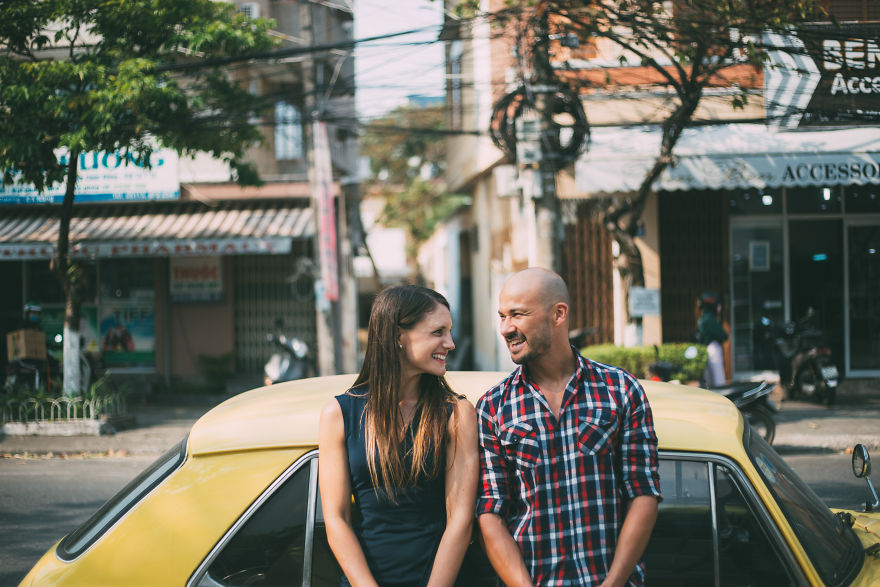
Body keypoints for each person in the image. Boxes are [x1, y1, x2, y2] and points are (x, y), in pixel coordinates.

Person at [476, 268, 662, 586]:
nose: (506, 328)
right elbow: (490, 513)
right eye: (502, 316)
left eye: (517, 314)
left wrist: (613, 583)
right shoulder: (493, 407)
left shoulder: (621, 390)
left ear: (558, 314)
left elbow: (643, 493)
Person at [318, 285, 479, 587]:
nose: (451, 343)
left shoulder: (457, 414)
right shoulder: (338, 414)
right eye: (438, 332)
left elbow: (460, 520)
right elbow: (337, 520)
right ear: (398, 336)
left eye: (450, 332)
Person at [696, 291, 728, 387]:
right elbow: (724, 335)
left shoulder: (702, 318)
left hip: (705, 349)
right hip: (713, 348)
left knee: (708, 380)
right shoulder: (710, 319)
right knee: (718, 380)